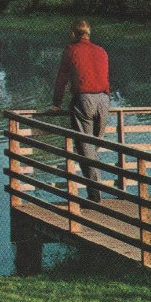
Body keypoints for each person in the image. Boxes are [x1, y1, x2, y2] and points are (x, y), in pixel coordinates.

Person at [50, 19, 110, 202]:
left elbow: (62, 77)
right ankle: (97, 191)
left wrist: (57, 103)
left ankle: (95, 197)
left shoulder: (71, 50)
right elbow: (105, 76)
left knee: (86, 149)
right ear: (88, 34)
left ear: (73, 34)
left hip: (84, 99)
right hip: (104, 100)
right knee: (94, 147)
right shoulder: (101, 51)